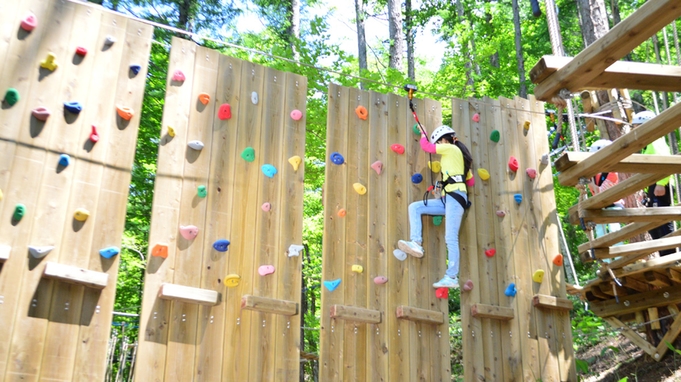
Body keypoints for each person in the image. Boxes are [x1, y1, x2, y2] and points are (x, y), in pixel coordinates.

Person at [397, 125, 473, 288]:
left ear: (444, 140)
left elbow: (427, 147)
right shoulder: (452, 159)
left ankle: (452, 276)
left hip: (456, 197)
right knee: (415, 207)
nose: (439, 146)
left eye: (439, 143)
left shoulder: (451, 149)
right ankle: (416, 242)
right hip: (449, 199)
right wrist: (440, 192)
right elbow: (469, 180)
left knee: (450, 238)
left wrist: (423, 131)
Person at [632, 110, 676, 256]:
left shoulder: (655, 141)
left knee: (661, 219)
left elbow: (665, 162)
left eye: (637, 127)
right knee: (653, 223)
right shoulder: (648, 143)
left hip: (660, 183)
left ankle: (671, 253)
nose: (635, 131)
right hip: (654, 184)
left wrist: (661, 183)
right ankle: (665, 253)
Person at [587, 139, 624, 240]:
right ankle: (605, 254)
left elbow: (601, 192)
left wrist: (587, 181)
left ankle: (618, 254)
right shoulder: (594, 173)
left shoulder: (612, 173)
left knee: (614, 230)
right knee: (600, 233)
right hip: (600, 206)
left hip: (613, 205)